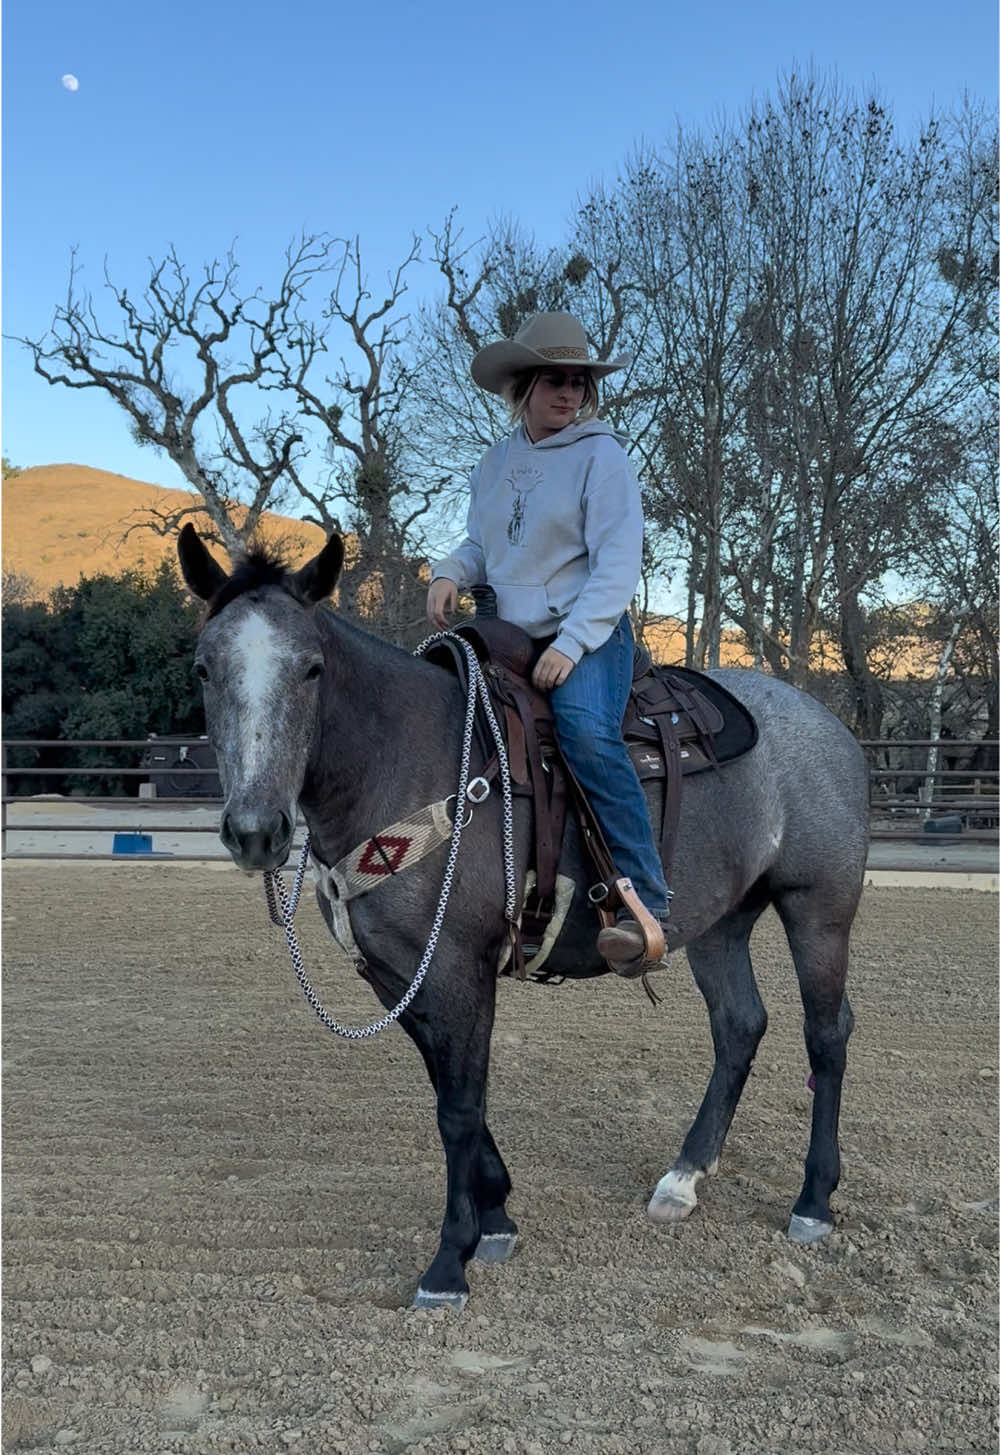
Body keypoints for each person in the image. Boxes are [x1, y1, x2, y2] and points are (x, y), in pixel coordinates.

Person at [426, 311, 670, 974]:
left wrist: (573, 643)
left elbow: (617, 563)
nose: (569, 393)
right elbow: (481, 544)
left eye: (578, 382)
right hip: (507, 633)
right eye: (555, 381)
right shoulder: (495, 461)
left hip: (588, 632)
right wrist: (449, 573)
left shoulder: (601, 457)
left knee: (585, 731)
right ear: (523, 387)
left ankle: (646, 902)